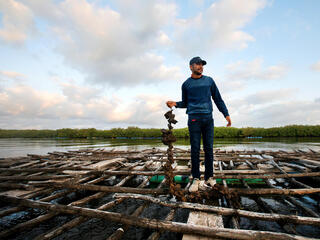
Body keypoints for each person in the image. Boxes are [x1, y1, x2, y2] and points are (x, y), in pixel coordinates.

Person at [166, 56, 231, 192]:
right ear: (191, 67)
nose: (200, 66)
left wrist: (226, 114)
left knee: (209, 149)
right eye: (197, 64)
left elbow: (218, 99)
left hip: (208, 119)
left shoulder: (209, 81)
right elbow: (186, 102)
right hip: (194, 119)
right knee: (195, 149)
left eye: (202, 64)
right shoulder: (186, 84)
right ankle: (196, 178)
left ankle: (209, 178)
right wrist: (175, 104)